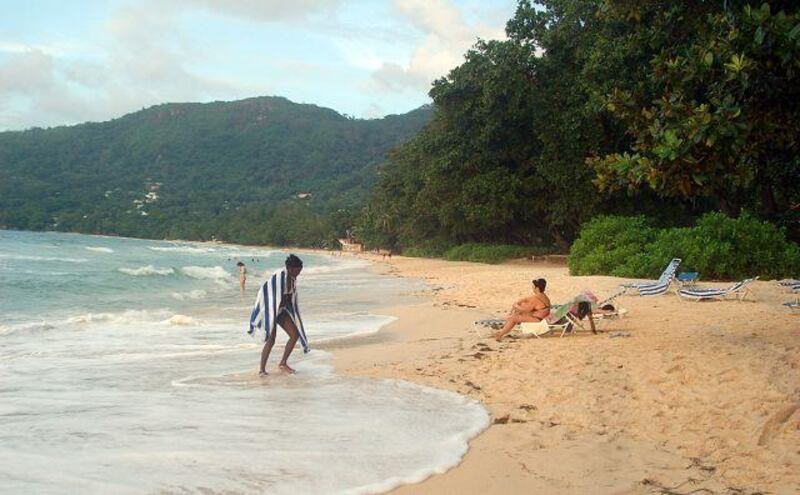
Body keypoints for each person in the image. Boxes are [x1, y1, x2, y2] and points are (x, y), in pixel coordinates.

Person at [247, 254, 310, 375]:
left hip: (280, 311)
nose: (299, 274)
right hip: (269, 310)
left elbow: (289, 299)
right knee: (271, 340)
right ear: (291, 269)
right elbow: (267, 295)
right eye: (297, 271)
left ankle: (283, 363)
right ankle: (262, 370)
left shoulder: (292, 279)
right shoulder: (278, 278)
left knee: (294, 334)